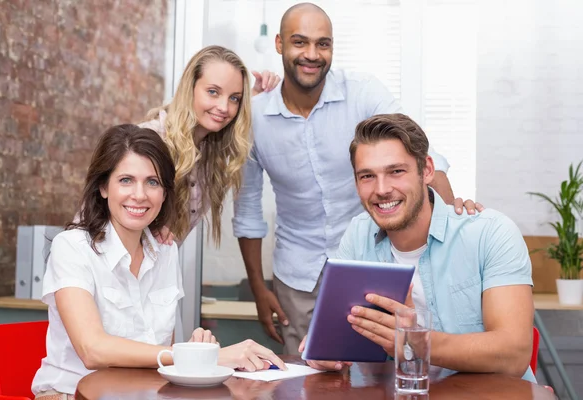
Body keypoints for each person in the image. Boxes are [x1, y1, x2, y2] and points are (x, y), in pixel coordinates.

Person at [232, 2, 482, 354]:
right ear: (279, 44)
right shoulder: (254, 118)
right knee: (306, 370)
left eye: (323, 44)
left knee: (382, 364)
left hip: (371, 260)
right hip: (295, 272)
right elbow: (246, 211)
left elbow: (421, 157)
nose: (312, 54)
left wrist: (454, 224)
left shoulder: (363, 92)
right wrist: (260, 289)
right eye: (300, 42)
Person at [31, 125, 286, 399]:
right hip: (69, 394)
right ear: (104, 187)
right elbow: (92, 350)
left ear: (165, 193)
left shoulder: (165, 252)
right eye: (126, 180)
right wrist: (194, 358)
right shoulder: (72, 247)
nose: (140, 195)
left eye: (152, 182)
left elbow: (160, 354)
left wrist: (199, 352)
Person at [301, 113, 535, 382]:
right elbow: (339, 336)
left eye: (396, 171)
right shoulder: (357, 235)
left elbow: (514, 355)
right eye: (367, 176)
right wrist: (325, 348)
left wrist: (419, 340)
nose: (382, 189)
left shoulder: (490, 232)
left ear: (426, 170)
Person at [139, 45, 280, 244]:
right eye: (213, 92)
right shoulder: (149, 141)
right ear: (191, 88)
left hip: (158, 271)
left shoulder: (210, 151)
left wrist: (258, 96)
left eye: (234, 98)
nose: (224, 107)